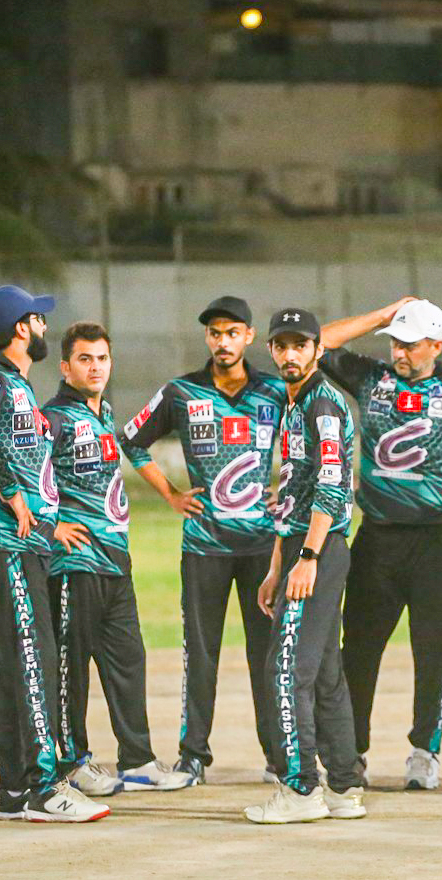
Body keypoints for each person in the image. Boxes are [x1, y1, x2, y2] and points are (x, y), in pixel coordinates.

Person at [319, 298, 442, 790]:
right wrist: (381, 315)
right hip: (378, 535)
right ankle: (353, 752)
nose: (399, 352)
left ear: (434, 345)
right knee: (359, 649)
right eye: (395, 342)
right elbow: (317, 344)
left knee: (432, 649)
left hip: (439, 537)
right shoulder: (371, 378)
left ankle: (424, 751)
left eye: (409, 344)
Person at [120, 296, 286, 788]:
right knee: (201, 653)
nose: (223, 342)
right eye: (215, 333)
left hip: (263, 547)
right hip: (204, 546)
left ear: (249, 337)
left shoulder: (275, 391)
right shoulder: (182, 392)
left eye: (232, 332)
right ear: (207, 338)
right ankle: (193, 756)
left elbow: (309, 443)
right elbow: (130, 439)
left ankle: (279, 757)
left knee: (268, 654)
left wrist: (289, 488)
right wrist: (171, 494)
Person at [0, 285, 109, 823]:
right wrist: (14, 493)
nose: (46, 326)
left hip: (26, 539)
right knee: (35, 656)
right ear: (21, 328)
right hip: (4, 537)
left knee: (17, 661)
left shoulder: (18, 384)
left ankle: (12, 789)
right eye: (38, 318)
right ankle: (44, 787)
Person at [42, 321, 174, 795]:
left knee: (129, 660)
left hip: (115, 563)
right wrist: (51, 527)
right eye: (84, 359)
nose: (95, 367)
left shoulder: (103, 414)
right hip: (74, 566)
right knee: (71, 670)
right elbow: (10, 473)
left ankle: (137, 760)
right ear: (65, 367)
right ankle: (71, 763)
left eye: (101, 358)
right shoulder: (52, 418)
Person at [243, 308, 364, 823]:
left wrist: (308, 557)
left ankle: (300, 789)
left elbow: (333, 486)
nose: (290, 354)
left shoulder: (323, 404)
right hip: (301, 545)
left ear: (318, 349)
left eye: (301, 345)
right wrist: (278, 564)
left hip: (319, 547)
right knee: (326, 674)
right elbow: (294, 489)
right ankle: (343, 786)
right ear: (271, 349)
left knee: (286, 670)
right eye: (282, 345)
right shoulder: (293, 404)